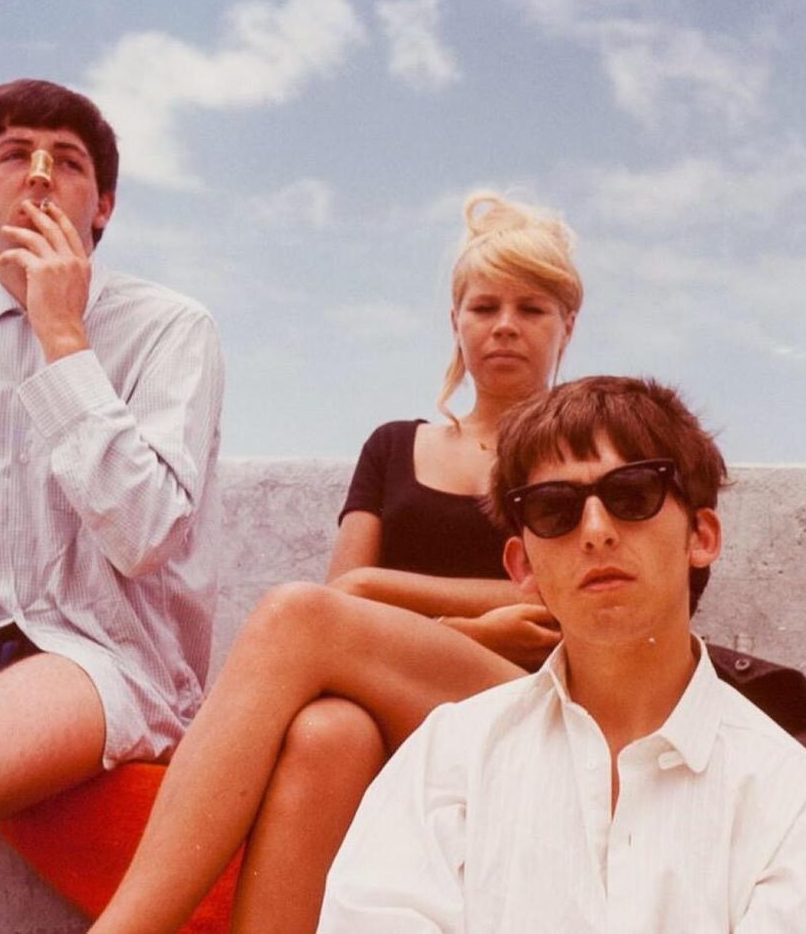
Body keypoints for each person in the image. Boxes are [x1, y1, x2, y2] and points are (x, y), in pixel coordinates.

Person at [91, 192, 584, 933]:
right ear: (456, 322)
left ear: (566, 326)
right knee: (328, 733)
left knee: (297, 615)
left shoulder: (581, 445)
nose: (505, 325)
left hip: (530, 698)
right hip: (406, 693)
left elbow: (559, 602)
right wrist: (466, 622)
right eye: (484, 307)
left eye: (532, 308)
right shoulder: (393, 446)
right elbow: (342, 602)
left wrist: (381, 597)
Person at [319, 375, 806, 932]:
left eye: (633, 495)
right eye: (555, 509)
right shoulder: (447, 760)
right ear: (522, 566)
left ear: (702, 536)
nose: (596, 530)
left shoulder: (794, 802)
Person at [0, 81, 223, 825]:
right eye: (15, 155)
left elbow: (145, 536)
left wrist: (63, 336)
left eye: (68, 164)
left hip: (101, 655)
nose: (40, 176)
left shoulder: (173, 329)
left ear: (102, 206)